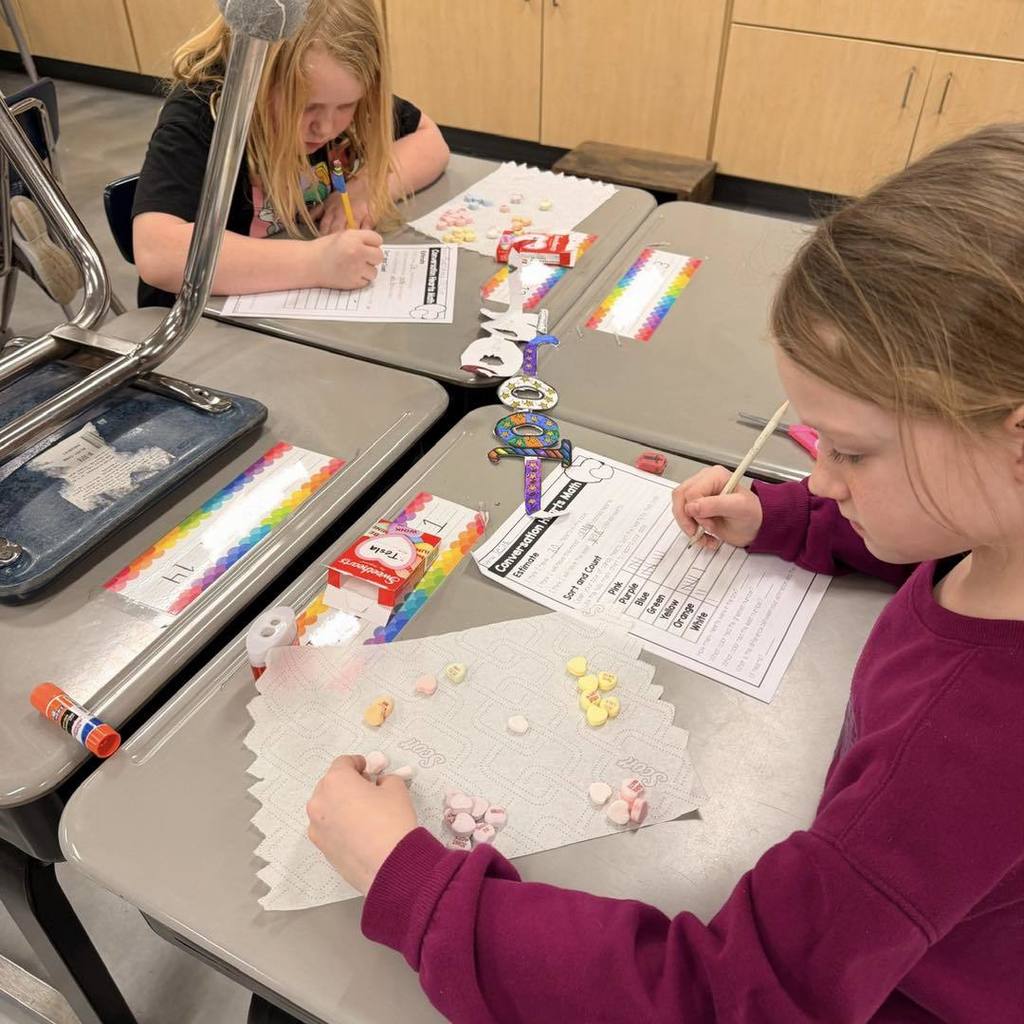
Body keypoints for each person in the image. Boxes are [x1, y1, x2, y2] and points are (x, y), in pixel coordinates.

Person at [305, 124, 1024, 1023]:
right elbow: (960, 517)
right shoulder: (999, 529)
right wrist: (793, 518)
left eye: (849, 451)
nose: (825, 478)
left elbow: (721, 1000)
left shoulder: (960, 753)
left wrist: (408, 884)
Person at [131, 0, 448, 308]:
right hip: (197, 328)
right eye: (308, 107)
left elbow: (429, 140)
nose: (324, 128)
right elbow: (159, 255)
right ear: (261, 78)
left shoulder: (334, 88)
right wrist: (317, 263)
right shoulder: (205, 112)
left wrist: (365, 190)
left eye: (346, 106)